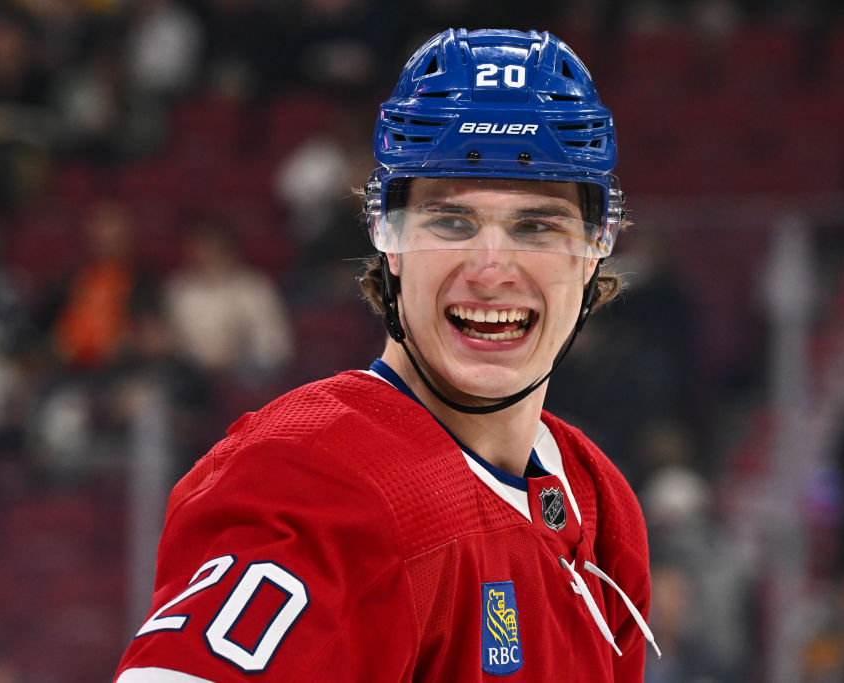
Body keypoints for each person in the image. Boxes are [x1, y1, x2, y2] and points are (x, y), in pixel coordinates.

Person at [116, 28, 658, 681]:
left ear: (596, 248)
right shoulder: (313, 481)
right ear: (388, 239)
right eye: (451, 222)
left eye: (537, 225)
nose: (492, 270)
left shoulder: (599, 501)